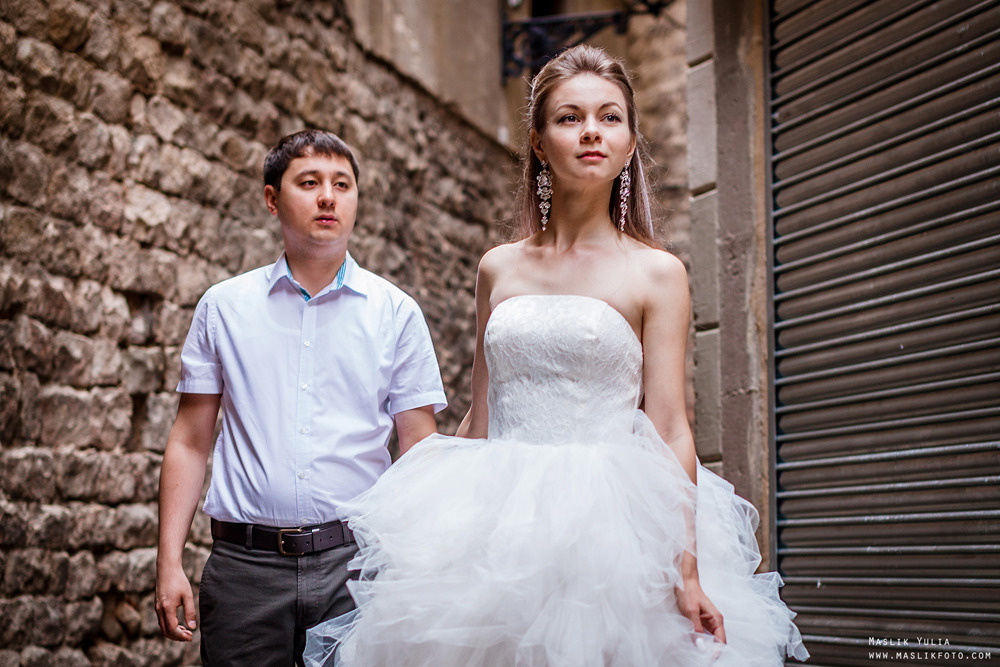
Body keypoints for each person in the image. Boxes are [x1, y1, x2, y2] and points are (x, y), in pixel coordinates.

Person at [305, 46, 808, 666]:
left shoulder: (657, 274)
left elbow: (672, 426)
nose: (591, 130)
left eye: (610, 117)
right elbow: (481, 414)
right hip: (498, 529)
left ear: (628, 144)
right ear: (540, 143)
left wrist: (686, 568)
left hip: (610, 537)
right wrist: (431, 534)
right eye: (569, 118)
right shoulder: (498, 266)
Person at [154, 129, 448, 666]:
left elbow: (417, 446)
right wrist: (169, 561)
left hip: (353, 566)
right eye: (309, 182)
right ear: (272, 199)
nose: (328, 197)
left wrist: (416, 563)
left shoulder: (396, 312)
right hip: (244, 570)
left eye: (342, 184)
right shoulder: (223, 308)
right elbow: (191, 440)